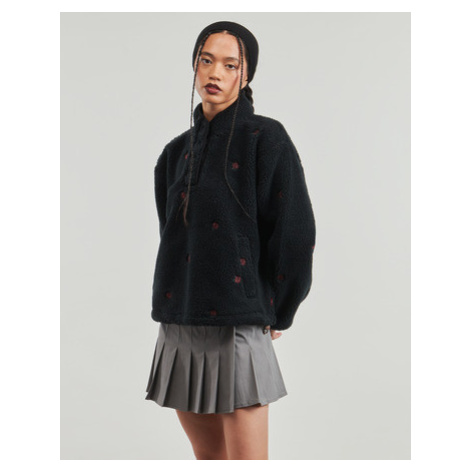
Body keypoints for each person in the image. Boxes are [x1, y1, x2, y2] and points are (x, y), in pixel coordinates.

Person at [145, 21, 316, 460]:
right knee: (210, 460)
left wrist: (279, 308)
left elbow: (295, 232)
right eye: (206, 60)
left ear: (246, 74)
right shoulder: (174, 153)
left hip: (239, 321)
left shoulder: (266, 139)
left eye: (229, 64)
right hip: (181, 321)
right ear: (194, 65)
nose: (215, 73)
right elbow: (172, 234)